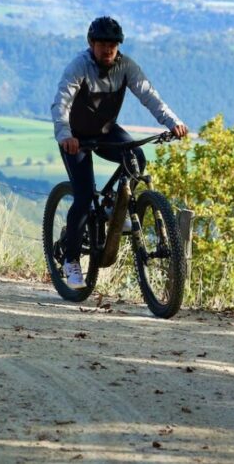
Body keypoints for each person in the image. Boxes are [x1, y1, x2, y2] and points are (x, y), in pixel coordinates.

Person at [50, 16, 188, 289]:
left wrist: (173, 123)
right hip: (75, 138)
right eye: (102, 44)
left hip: (105, 131)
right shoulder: (79, 66)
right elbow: (61, 101)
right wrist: (65, 135)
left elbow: (149, 96)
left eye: (112, 45)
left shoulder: (126, 66)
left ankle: (115, 207)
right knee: (84, 195)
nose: (107, 50)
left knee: (136, 158)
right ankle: (71, 260)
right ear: (91, 43)